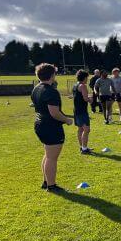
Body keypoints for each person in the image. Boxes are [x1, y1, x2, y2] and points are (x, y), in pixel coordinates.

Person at [31, 63, 73, 192]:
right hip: (49, 126)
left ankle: (46, 182)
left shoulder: (36, 88)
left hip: (40, 124)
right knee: (51, 157)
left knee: (48, 155)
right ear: (52, 75)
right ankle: (51, 185)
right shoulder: (51, 91)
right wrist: (67, 120)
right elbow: (54, 113)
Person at [73, 69, 93, 155]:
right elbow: (85, 98)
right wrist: (91, 100)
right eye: (87, 77)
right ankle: (84, 149)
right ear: (84, 77)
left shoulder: (75, 85)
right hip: (82, 111)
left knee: (80, 129)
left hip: (76, 110)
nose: (87, 79)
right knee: (87, 129)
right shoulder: (83, 86)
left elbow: (79, 96)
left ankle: (82, 147)